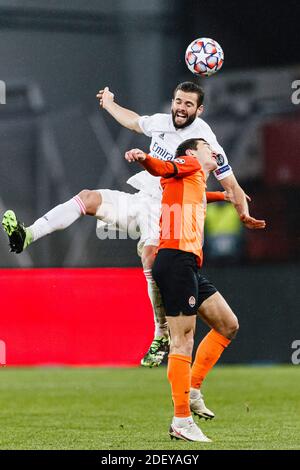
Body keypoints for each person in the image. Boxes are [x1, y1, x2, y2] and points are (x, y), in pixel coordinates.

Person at [2, 81, 265, 418]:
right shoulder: (162, 123)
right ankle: (27, 236)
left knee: (156, 258)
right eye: (178, 101)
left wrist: (243, 212)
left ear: (200, 110)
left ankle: (162, 339)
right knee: (88, 198)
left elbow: (231, 186)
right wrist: (110, 103)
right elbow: (132, 121)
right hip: (144, 203)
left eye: (188, 104)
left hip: (165, 214)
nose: (181, 108)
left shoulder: (205, 143)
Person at [124, 138, 254, 442]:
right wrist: (144, 158)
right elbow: (163, 165)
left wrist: (224, 195)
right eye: (207, 146)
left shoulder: (190, 179)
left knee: (227, 324)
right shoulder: (188, 163)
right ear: (192, 153)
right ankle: (181, 419)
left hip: (186, 264)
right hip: (176, 262)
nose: (213, 150)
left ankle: (192, 387)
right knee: (182, 341)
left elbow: (195, 195)